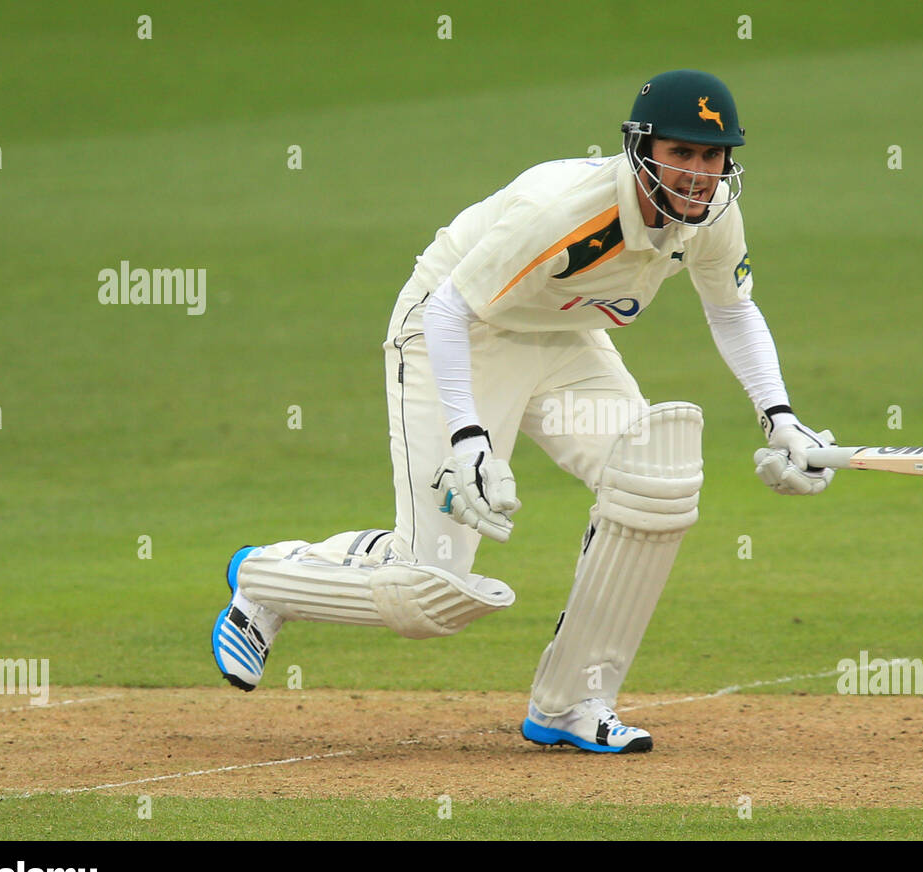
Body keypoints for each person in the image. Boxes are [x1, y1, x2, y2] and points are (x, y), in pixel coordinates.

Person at [210, 69, 836, 754]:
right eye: (678, 153)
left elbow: (731, 309)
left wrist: (779, 416)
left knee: (653, 480)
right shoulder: (563, 209)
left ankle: (572, 700)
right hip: (458, 335)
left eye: (710, 157)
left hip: (563, 341)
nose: (695, 174)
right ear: (640, 147)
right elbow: (449, 308)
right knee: (429, 591)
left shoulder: (711, 213)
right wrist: (469, 439)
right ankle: (269, 578)